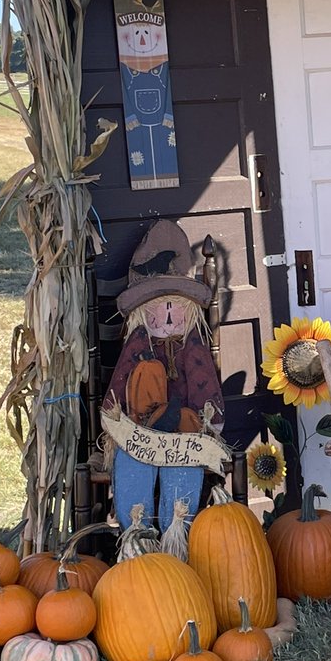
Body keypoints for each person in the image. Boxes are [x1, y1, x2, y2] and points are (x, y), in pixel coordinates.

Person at [103, 219, 226, 532]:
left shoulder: (193, 345)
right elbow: (120, 386)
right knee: (132, 460)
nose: (168, 318)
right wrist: (115, 421)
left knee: (184, 460)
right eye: (160, 308)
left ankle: (176, 535)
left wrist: (210, 421)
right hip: (139, 429)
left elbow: (204, 384)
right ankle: (137, 534)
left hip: (185, 431)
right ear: (144, 312)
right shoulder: (138, 343)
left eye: (175, 307)